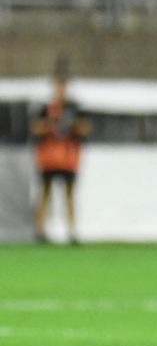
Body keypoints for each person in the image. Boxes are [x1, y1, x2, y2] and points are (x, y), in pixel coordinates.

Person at [32, 67, 91, 244]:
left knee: (69, 194)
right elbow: (36, 128)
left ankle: (72, 231)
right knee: (45, 193)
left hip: (68, 158)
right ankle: (40, 230)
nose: (60, 89)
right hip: (49, 158)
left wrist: (73, 126)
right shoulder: (46, 109)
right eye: (57, 86)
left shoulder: (74, 108)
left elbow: (85, 128)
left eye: (63, 86)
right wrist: (49, 125)